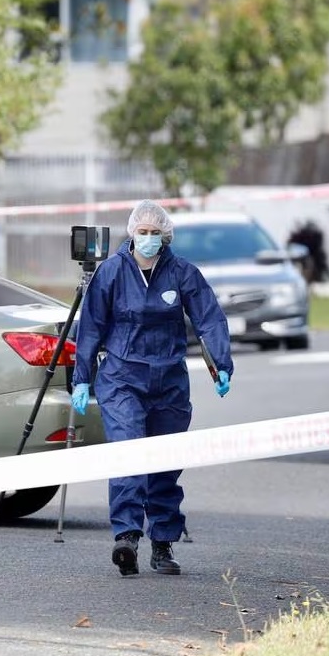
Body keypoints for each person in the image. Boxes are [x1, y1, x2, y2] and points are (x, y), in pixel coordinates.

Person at [69, 200, 234, 577]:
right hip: (122, 377)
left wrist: (221, 364)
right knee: (129, 452)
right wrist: (81, 377)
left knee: (164, 460)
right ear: (131, 234)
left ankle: (163, 543)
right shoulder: (111, 273)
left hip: (168, 379)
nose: (147, 238)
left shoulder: (182, 273)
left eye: (154, 232)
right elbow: (91, 326)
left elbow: (209, 317)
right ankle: (126, 536)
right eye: (141, 232)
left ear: (165, 235)